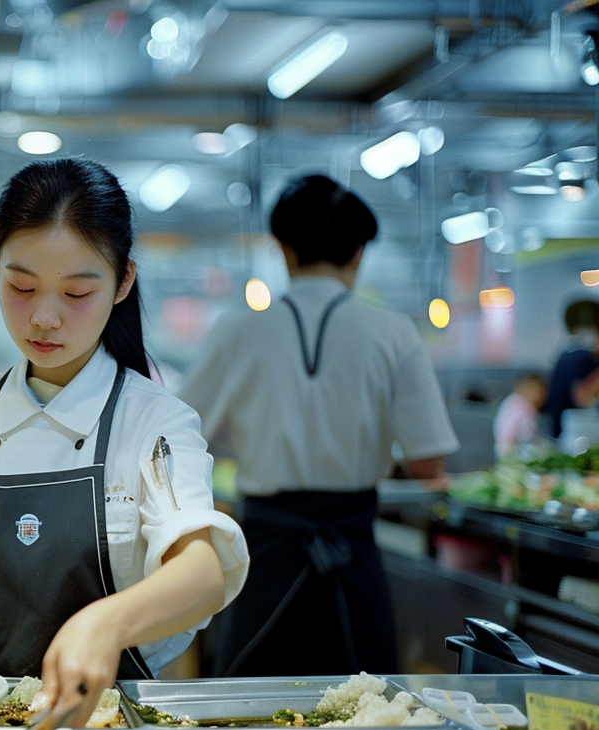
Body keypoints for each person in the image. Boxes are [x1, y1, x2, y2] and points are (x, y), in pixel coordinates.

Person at [0, 158, 249, 726]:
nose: (44, 317)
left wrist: (106, 624)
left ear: (122, 284)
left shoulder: (155, 420)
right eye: (21, 286)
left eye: (75, 293)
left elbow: (200, 574)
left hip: (113, 728)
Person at [180, 174, 458, 678]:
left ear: (283, 250)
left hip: (264, 546)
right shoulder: (394, 332)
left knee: (247, 703)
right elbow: (428, 461)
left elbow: (178, 436)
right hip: (351, 544)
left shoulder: (238, 330)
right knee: (365, 705)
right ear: (358, 253)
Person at [544, 299, 599, 438]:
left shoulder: (567, 353)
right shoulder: (581, 358)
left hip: (563, 430)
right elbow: (583, 398)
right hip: (574, 434)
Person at [493, 373, 548, 458]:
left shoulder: (511, 401)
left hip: (502, 447)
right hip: (514, 450)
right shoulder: (524, 406)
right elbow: (524, 433)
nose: (540, 397)